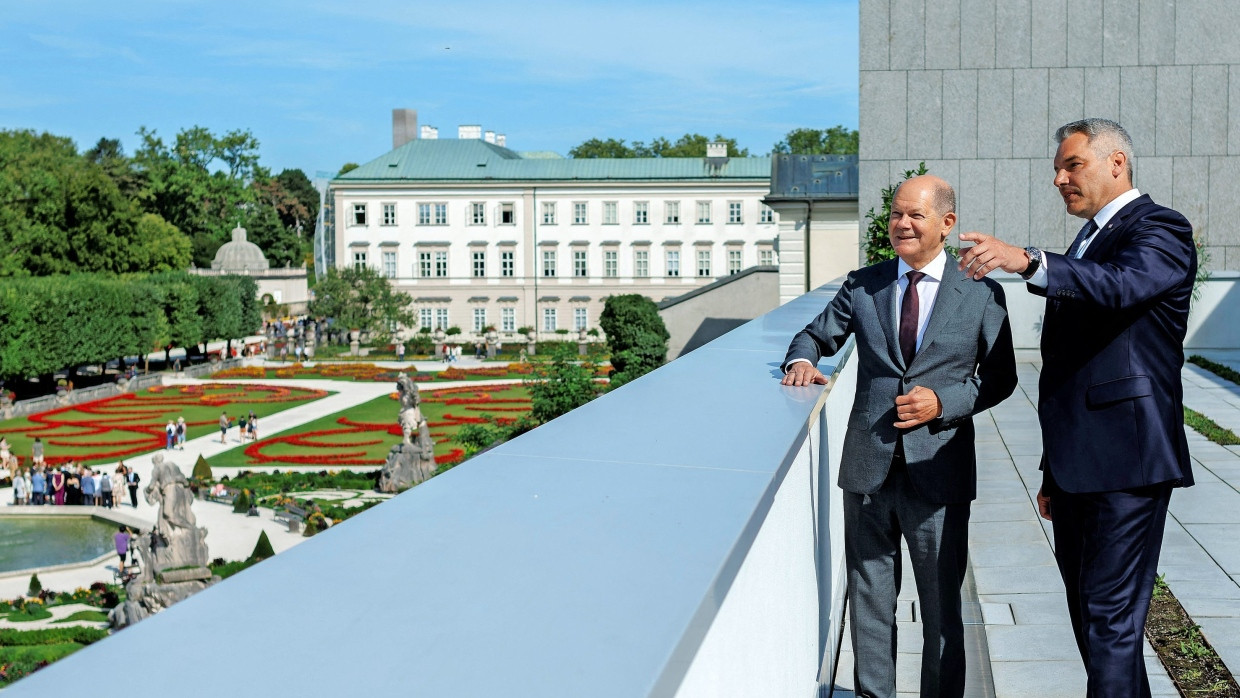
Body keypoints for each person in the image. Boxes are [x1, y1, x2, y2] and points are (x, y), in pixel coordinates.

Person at [957, 118, 1196, 698]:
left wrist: (1028, 260)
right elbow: (1074, 367)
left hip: (1129, 463)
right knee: (1096, 626)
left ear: (1117, 163)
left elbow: (1120, 285)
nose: (1059, 179)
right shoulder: (1087, 239)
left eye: (1073, 166)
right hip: (1077, 468)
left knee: (1110, 624)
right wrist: (1052, 473)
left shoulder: (1160, 228)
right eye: (1058, 169)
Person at [782, 175, 1017, 698]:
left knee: (940, 610)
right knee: (868, 603)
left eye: (915, 215)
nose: (901, 224)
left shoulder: (981, 293)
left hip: (940, 472)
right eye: (895, 214)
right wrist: (801, 361)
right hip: (868, 469)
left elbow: (1001, 379)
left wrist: (944, 402)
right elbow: (813, 336)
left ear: (947, 224)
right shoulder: (863, 284)